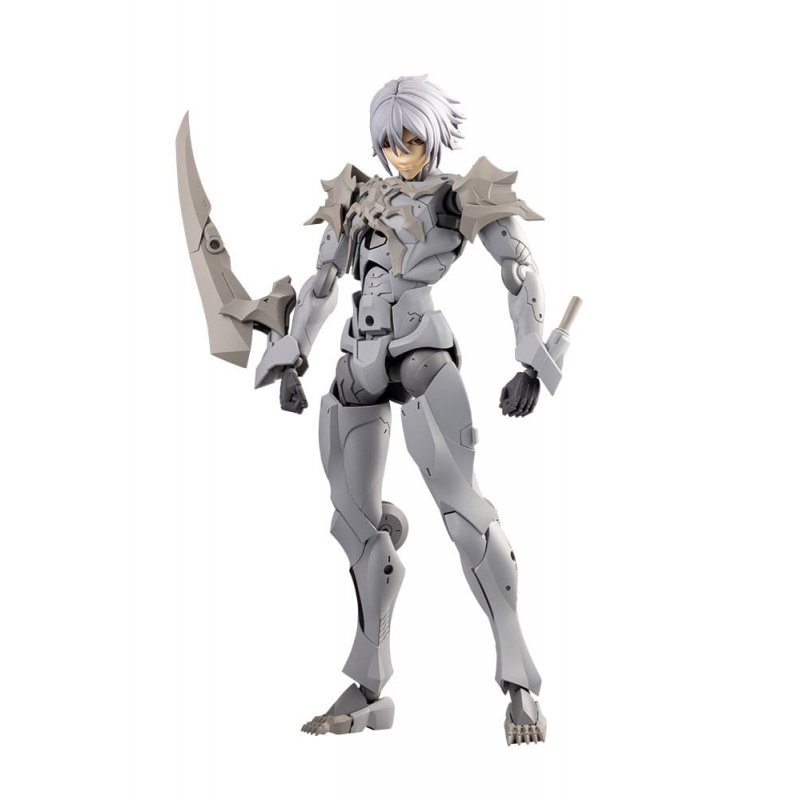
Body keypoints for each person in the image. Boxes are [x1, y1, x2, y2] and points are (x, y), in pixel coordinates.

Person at [254, 75, 552, 745]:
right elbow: (322, 284)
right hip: (356, 359)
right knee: (357, 528)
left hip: (421, 353)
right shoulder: (357, 197)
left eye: (412, 140)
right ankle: (368, 689)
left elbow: (519, 271)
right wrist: (292, 356)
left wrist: (532, 361)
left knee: (465, 516)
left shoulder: (460, 195)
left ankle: (520, 685)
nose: (400, 153)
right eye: (390, 142)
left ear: (434, 137)